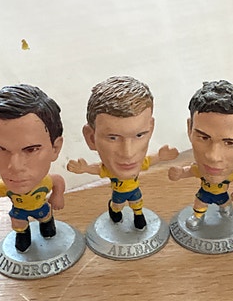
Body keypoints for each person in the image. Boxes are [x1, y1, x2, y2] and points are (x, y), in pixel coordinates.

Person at [67, 76, 178, 230]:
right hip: (118, 193)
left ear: (151, 128)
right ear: (91, 138)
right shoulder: (110, 168)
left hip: (134, 191)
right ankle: (114, 211)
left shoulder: (138, 163)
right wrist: (84, 168)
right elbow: (98, 169)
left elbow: (151, 161)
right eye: (113, 138)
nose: (128, 153)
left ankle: (138, 217)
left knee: (137, 204)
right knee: (117, 205)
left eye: (139, 135)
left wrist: (161, 157)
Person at [0, 84, 65, 253]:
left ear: (55, 148)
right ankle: (23, 240)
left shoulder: (47, 181)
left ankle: (48, 230)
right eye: (1, 149)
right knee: (20, 227)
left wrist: (57, 196)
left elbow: (58, 182)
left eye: (31, 150)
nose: (15, 167)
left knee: (46, 220)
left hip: (42, 209)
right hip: (19, 212)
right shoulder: (4, 186)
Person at [168, 80, 233, 230]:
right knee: (200, 203)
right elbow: (188, 171)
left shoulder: (232, 174)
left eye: (230, 143)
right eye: (204, 138)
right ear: (189, 129)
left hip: (222, 194)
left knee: (225, 203)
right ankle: (198, 217)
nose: (213, 157)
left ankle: (226, 209)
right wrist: (179, 173)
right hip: (204, 193)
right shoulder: (200, 169)